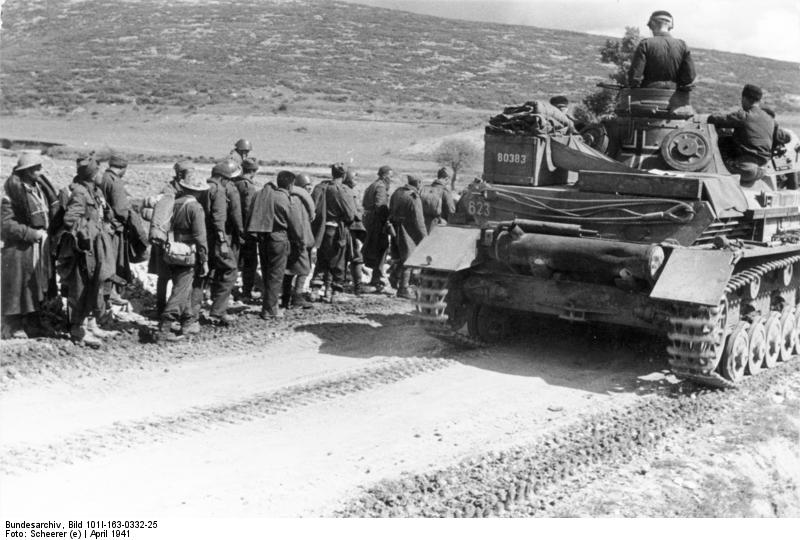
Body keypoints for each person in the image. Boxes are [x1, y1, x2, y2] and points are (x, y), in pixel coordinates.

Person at [56, 156, 117, 346]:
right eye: (97, 171)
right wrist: (89, 231)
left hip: (95, 248)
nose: (100, 175)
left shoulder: (95, 191)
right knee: (80, 288)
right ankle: (77, 329)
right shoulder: (80, 193)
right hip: (83, 249)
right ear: (91, 174)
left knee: (95, 285)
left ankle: (90, 325)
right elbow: (70, 220)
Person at [1, 152, 58, 339]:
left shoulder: (38, 189)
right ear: (26, 171)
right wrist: (31, 234)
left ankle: (34, 322)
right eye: (37, 168)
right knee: (19, 287)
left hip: (39, 248)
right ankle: (15, 325)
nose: (42, 171)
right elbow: (6, 225)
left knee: (36, 286)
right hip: (20, 251)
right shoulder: (12, 195)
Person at [156, 173, 209, 341]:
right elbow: (201, 237)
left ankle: (187, 323)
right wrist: (204, 259)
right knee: (181, 289)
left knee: (182, 286)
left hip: (172, 250)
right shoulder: (195, 207)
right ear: (199, 191)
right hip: (188, 252)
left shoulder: (174, 203)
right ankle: (163, 329)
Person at [247, 171, 304, 318]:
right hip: (279, 239)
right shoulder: (286, 199)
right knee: (276, 275)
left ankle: (269, 306)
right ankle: (270, 310)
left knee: (267, 273)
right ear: (291, 185)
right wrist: (300, 241)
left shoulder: (265, 196)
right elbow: (295, 225)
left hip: (263, 237)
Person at [147, 161, 193, 316]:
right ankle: (162, 308)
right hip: (165, 240)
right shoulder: (168, 191)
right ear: (180, 175)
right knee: (164, 276)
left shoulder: (186, 190)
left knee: (177, 277)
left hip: (178, 240)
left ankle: (173, 307)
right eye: (189, 173)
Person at [708, 84, 777, 183]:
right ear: (759, 100)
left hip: (744, 168)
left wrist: (709, 117)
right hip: (762, 168)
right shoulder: (770, 119)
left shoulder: (744, 116)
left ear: (744, 98)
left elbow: (716, 119)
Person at [311, 163, 357, 303]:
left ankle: (315, 290)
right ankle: (334, 292)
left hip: (321, 231)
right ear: (343, 175)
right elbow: (350, 215)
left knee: (322, 260)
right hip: (338, 230)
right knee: (338, 262)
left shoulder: (320, 188)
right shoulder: (342, 190)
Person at [206, 159, 244, 325]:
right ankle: (218, 310)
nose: (230, 182)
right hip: (218, 238)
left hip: (204, 237)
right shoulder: (220, 191)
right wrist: (223, 241)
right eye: (228, 179)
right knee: (231, 270)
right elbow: (219, 219)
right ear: (223, 178)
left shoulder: (205, 187)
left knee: (209, 272)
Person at [628, 11, 695, 92]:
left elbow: (634, 77)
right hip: (675, 97)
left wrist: (634, 86)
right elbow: (689, 77)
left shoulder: (645, 43)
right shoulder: (683, 45)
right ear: (670, 26)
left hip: (648, 95)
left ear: (652, 24)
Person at [99, 153, 132, 303]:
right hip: (114, 228)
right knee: (113, 261)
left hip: (103, 226)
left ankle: (108, 292)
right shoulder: (116, 182)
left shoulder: (103, 178)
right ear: (122, 168)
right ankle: (111, 293)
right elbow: (121, 210)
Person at [388, 175, 427, 299]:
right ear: (419, 183)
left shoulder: (397, 192)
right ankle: (403, 289)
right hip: (407, 231)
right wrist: (425, 238)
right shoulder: (414, 197)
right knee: (408, 260)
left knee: (400, 256)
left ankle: (394, 277)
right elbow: (419, 221)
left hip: (395, 228)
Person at [283, 172, 315, 309]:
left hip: (298, 238)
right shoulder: (297, 199)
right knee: (303, 269)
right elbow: (298, 221)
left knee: (291, 269)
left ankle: (288, 297)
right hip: (299, 238)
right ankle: (297, 296)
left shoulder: (295, 197)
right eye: (306, 185)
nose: (309, 188)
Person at [362, 165, 393, 292]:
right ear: (385, 176)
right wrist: (387, 220)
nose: (391, 179)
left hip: (370, 220)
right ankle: (378, 279)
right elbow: (381, 206)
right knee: (382, 248)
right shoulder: (380, 187)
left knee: (374, 248)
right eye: (390, 176)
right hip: (377, 222)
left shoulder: (372, 185)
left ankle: (375, 278)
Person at [233, 157, 261, 301]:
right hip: (246, 230)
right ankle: (246, 293)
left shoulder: (234, 182)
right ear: (254, 171)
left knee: (233, 261)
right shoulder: (248, 186)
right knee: (250, 263)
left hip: (233, 229)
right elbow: (249, 210)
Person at [343, 167, 372, 294]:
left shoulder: (353, 191)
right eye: (354, 177)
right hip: (347, 228)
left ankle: (357, 286)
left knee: (356, 257)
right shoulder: (345, 191)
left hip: (353, 229)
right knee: (350, 258)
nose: (356, 180)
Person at [419, 167, 456, 233]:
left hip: (423, 227)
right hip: (439, 228)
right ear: (447, 178)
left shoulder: (424, 189)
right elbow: (451, 213)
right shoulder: (445, 191)